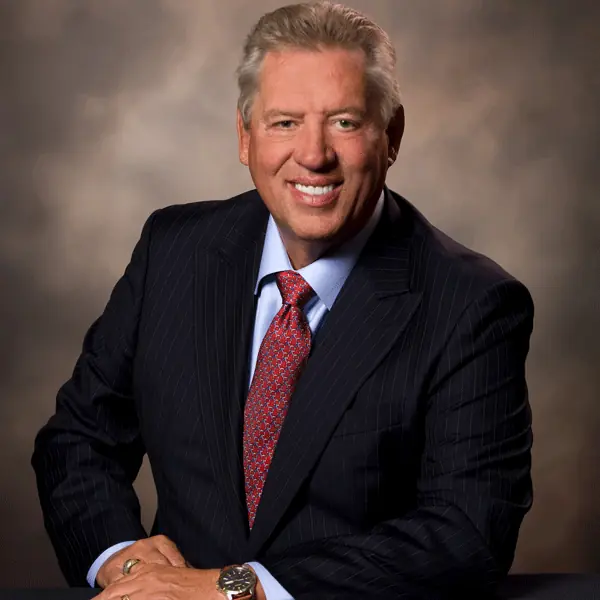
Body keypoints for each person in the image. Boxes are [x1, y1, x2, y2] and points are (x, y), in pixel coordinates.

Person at [32, 2, 534, 599]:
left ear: (392, 136)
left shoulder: (472, 304)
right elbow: (80, 438)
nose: (314, 154)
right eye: (284, 122)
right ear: (245, 137)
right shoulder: (173, 251)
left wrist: (236, 589)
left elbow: (466, 533)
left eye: (344, 121)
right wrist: (122, 561)